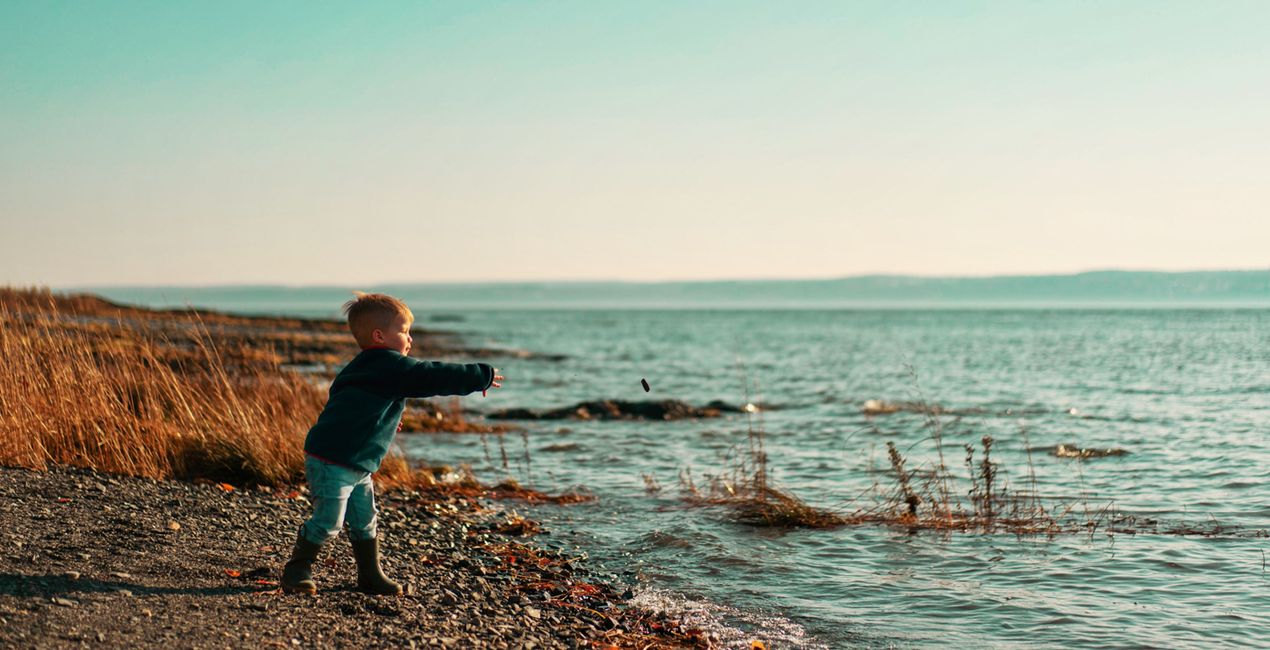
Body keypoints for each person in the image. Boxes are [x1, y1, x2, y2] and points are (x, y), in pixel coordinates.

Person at [281, 292, 503, 595]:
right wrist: (480, 376)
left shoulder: (363, 367)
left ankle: (370, 575)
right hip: (333, 459)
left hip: (357, 462)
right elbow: (429, 376)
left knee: (365, 519)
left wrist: (385, 419)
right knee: (329, 521)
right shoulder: (388, 365)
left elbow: (351, 399)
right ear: (379, 336)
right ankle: (296, 570)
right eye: (403, 331)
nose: (409, 339)